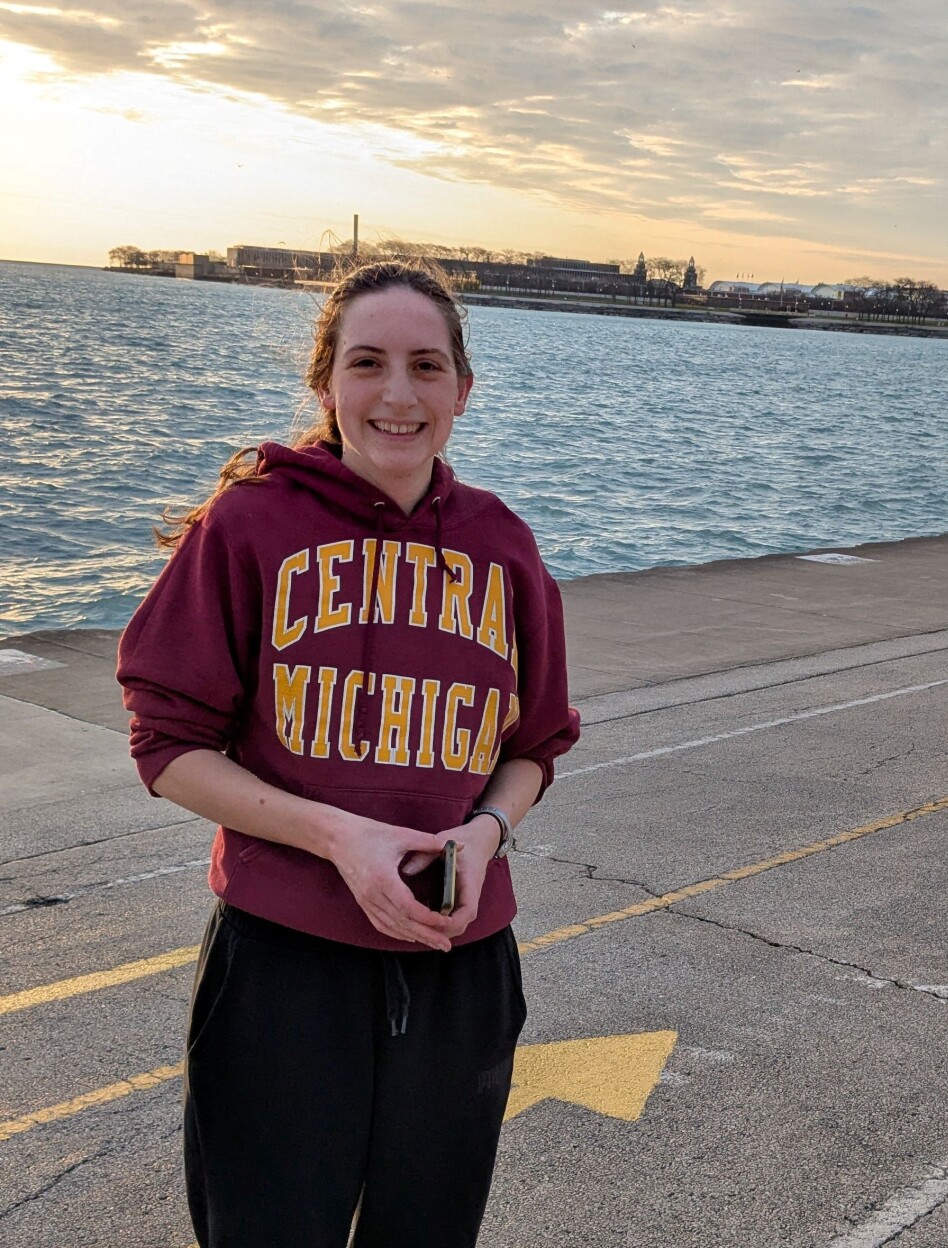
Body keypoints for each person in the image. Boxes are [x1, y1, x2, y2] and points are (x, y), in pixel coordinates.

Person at [116, 261, 580, 1247]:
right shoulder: (253, 524)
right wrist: (339, 839)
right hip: (284, 973)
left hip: (460, 970)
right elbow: (167, 746)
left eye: (426, 365)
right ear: (327, 382)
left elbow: (536, 745)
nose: (398, 394)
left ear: (464, 388)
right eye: (368, 363)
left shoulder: (504, 550)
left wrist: (488, 833)